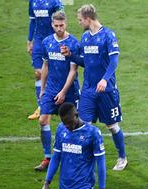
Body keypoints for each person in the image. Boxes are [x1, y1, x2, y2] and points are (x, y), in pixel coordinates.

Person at [61, 4, 128, 171]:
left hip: (107, 90)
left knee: (112, 126)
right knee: (84, 125)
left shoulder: (108, 35)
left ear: (88, 19)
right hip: (89, 90)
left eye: (80, 20)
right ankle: (85, 160)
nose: (79, 23)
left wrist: (105, 80)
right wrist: (71, 55)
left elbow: (114, 62)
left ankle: (122, 157)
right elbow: (86, 62)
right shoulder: (85, 37)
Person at [34, 11, 80, 172]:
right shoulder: (47, 42)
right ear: (52, 25)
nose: (59, 28)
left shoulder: (73, 43)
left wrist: (63, 91)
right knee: (43, 120)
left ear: (66, 24)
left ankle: (69, 158)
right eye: (56, 26)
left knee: (69, 126)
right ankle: (48, 157)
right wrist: (43, 88)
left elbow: (73, 71)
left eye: (62, 25)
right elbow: (45, 66)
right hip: (51, 88)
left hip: (69, 91)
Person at [27, 0, 64, 120]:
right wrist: (29, 41)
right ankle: (41, 106)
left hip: (52, 40)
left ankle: (56, 101)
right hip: (38, 41)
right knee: (38, 73)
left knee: (54, 73)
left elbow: (61, 18)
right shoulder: (33, 1)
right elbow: (32, 21)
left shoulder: (55, 1)